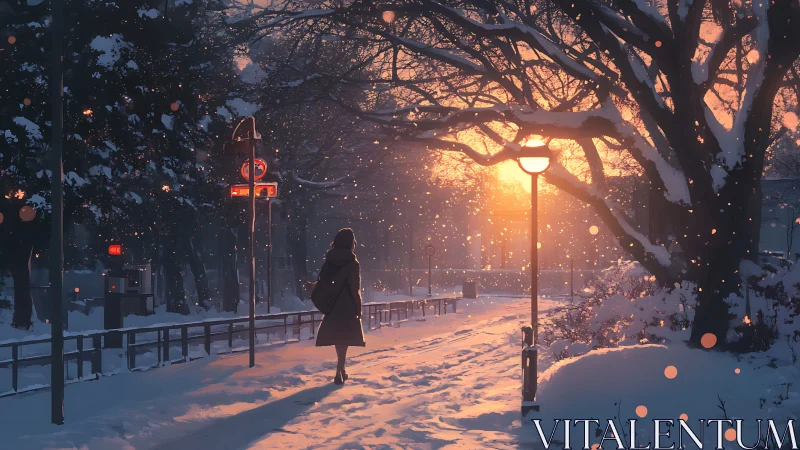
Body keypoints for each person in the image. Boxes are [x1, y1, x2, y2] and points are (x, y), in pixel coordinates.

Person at [315, 228, 366, 384]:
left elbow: (322, 280)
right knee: (344, 339)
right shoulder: (352, 263)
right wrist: (358, 307)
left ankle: (341, 368)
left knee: (338, 338)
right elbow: (354, 288)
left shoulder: (329, 260)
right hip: (347, 304)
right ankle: (339, 370)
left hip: (332, 304)